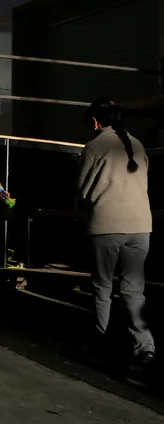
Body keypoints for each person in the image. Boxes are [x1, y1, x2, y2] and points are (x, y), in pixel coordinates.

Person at [78, 98, 155, 371]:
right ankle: (145, 346)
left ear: (96, 121)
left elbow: (83, 189)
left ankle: (101, 340)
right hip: (141, 225)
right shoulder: (136, 144)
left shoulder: (94, 146)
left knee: (103, 288)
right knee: (134, 290)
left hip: (107, 224)